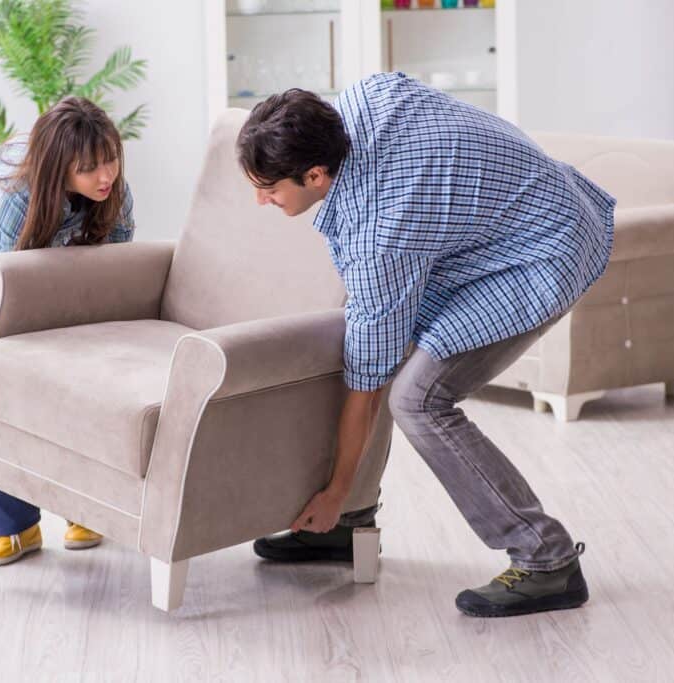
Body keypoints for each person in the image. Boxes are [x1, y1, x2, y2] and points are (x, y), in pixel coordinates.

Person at [237, 73, 614, 618]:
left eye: (270, 189)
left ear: (316, 175)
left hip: (544, 249)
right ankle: (345, 529)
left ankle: (545, 558)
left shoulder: (380, 235)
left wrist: (338, 487)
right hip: (503, 224)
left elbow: (368, 383)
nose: (259, 200)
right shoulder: (367, 97)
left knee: (416, 398)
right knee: (370, 343)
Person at [0, 97, 135, 566]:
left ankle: (84, 505)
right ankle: (14, 525)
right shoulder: (18, 191)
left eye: (110, 159)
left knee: (79, 375)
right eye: (89, 169)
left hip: (51, 262)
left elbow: (118, 274)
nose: (105, 176)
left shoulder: (114, 193)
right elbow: (14, 298)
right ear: (59, 168)